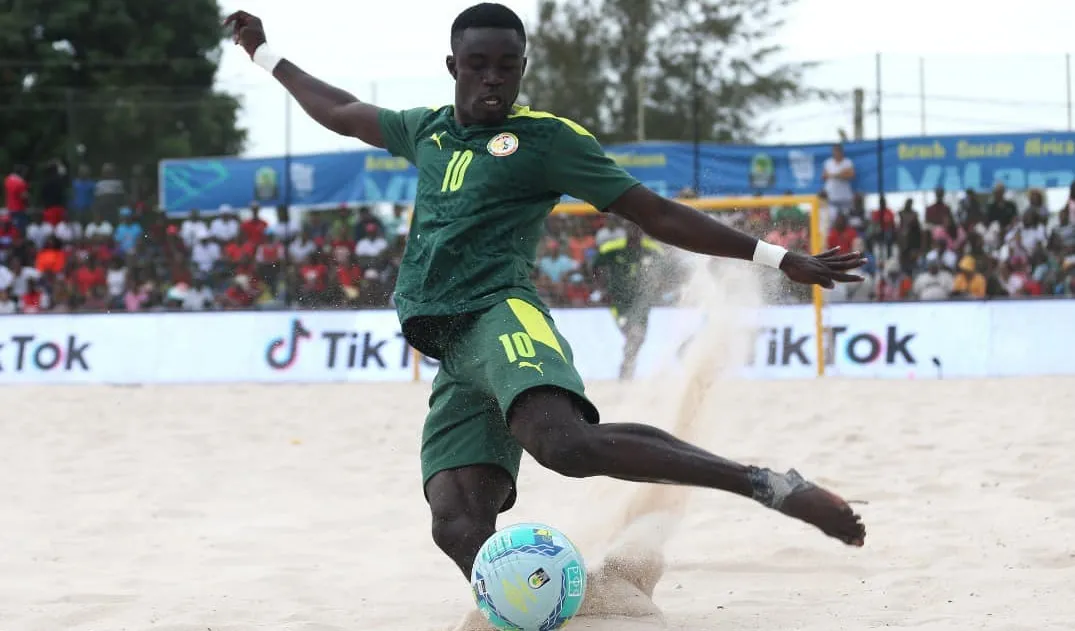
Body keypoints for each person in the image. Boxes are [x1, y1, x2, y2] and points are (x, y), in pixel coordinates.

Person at [225, 3, 867, 584]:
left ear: (523, 68)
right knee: (455, 525)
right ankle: (553, 594)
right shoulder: (427, 130)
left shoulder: (547, 140)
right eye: (478, 65)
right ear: (453, 65)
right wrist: (263, 54)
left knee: (564, 446)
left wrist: (780, 258)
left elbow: (657, 214)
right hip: (452, 349)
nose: (493, 79)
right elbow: (337, 110)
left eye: (507, 66)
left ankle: (766, 485)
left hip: (501, 314)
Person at [593, 223, 663, 380]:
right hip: (620, 302)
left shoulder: (652, 249)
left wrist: (657, 288)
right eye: (631, 228)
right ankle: (627, 368)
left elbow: (664, 271)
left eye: (638, 228)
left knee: (638, 336)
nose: (634, 232)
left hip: (642, 301)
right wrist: (602, 288)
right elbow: (595, 267)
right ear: (625, 230)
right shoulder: (612, 248)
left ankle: (627, 366)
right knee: (634, 334)